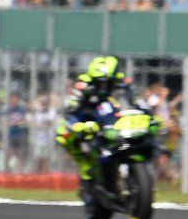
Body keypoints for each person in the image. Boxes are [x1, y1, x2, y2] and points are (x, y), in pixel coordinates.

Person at [55, 55, 135, 183]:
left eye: (107, 82)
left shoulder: (121, 83)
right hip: (86, 120)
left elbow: (134, 101)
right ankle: (84, 163)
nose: (104, 86)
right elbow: (71, 107)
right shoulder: (83, 84)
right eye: (100, 82)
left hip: (112, 121)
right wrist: (78, 123)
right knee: (62, 133)